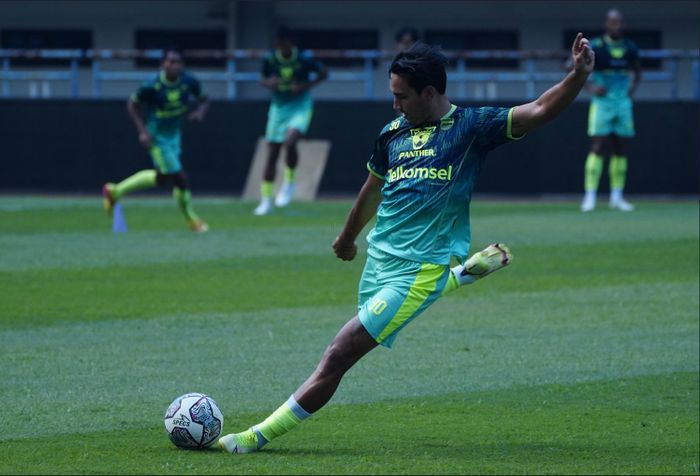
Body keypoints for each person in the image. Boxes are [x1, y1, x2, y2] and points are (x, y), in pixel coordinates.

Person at [219, 33, 594, 454]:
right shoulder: (392, 132)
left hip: (416, 272)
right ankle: (460, 275)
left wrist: (576, 76)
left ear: (430, 92)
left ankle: (253, 438)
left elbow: (540, 109)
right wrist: (347, 237)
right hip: (379, 263)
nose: (394, 104)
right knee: (360, 334)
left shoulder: (472, 128)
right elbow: (372, 188)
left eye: (402, 97)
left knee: (339, 354)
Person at [102, 48, 210, 232]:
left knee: (162, 178)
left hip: (174, 135)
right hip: (157, 137)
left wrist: (200, 112)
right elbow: (132, 105)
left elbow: (205, 99)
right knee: (181, 179)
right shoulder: (152, 86)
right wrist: (142, 131)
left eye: (178, 62)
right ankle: (192, 220)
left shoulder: (187, 81)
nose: (175, 66)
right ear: (163, 65)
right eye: (171, 62)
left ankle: (114, 191)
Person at [253, 26, 328, 216]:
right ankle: (266, 200)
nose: (281, 46)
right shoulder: (270, 59)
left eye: (284, 42)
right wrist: (269, 83)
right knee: (272, 153)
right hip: (278, 107)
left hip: (300, 105)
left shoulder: (303, 58)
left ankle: (289, 183)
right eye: (278, 43)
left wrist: (305, 86)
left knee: (291, 140)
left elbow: (324, 73)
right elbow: (262, 78)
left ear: (291, 43)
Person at [581, 8, 640, 212]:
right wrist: (590, 88)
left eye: (619, 22)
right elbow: (571, 66)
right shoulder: (596, 46)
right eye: (612, 22)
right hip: (602, 104)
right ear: (606, 24)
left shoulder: (630, 47)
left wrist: (630, 93)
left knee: (620, 149)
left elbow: (638, 73)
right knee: (597, 146)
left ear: (622, 25)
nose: (615, 26)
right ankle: (590, 196)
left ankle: (617, 196)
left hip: (623, 104)